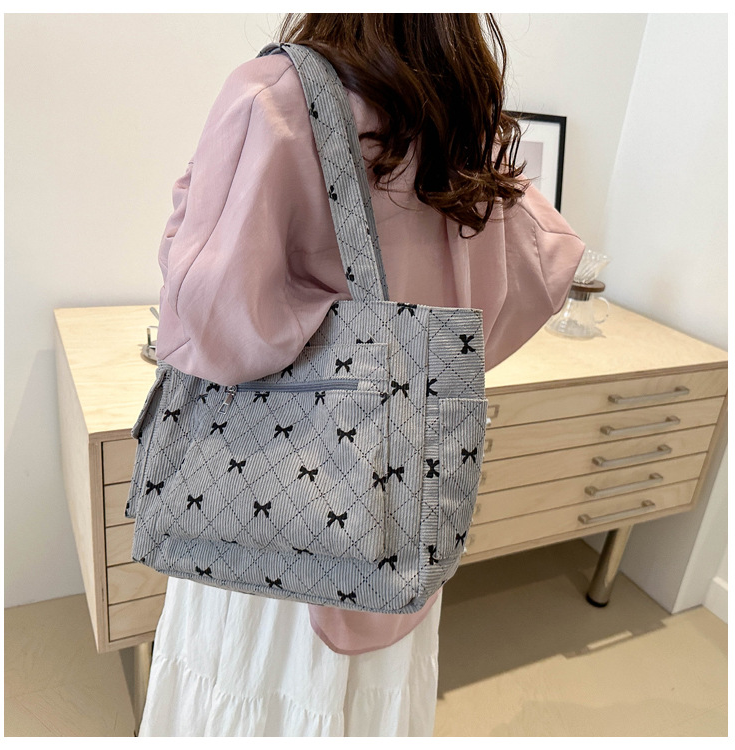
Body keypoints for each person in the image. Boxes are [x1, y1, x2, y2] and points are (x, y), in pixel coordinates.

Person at [137, 13, 586, 737]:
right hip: (404, 522)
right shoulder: (467, 115)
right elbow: (546, 266)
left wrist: (191, 218)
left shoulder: (276, 97)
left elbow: (211, 327)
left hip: (268, 534)